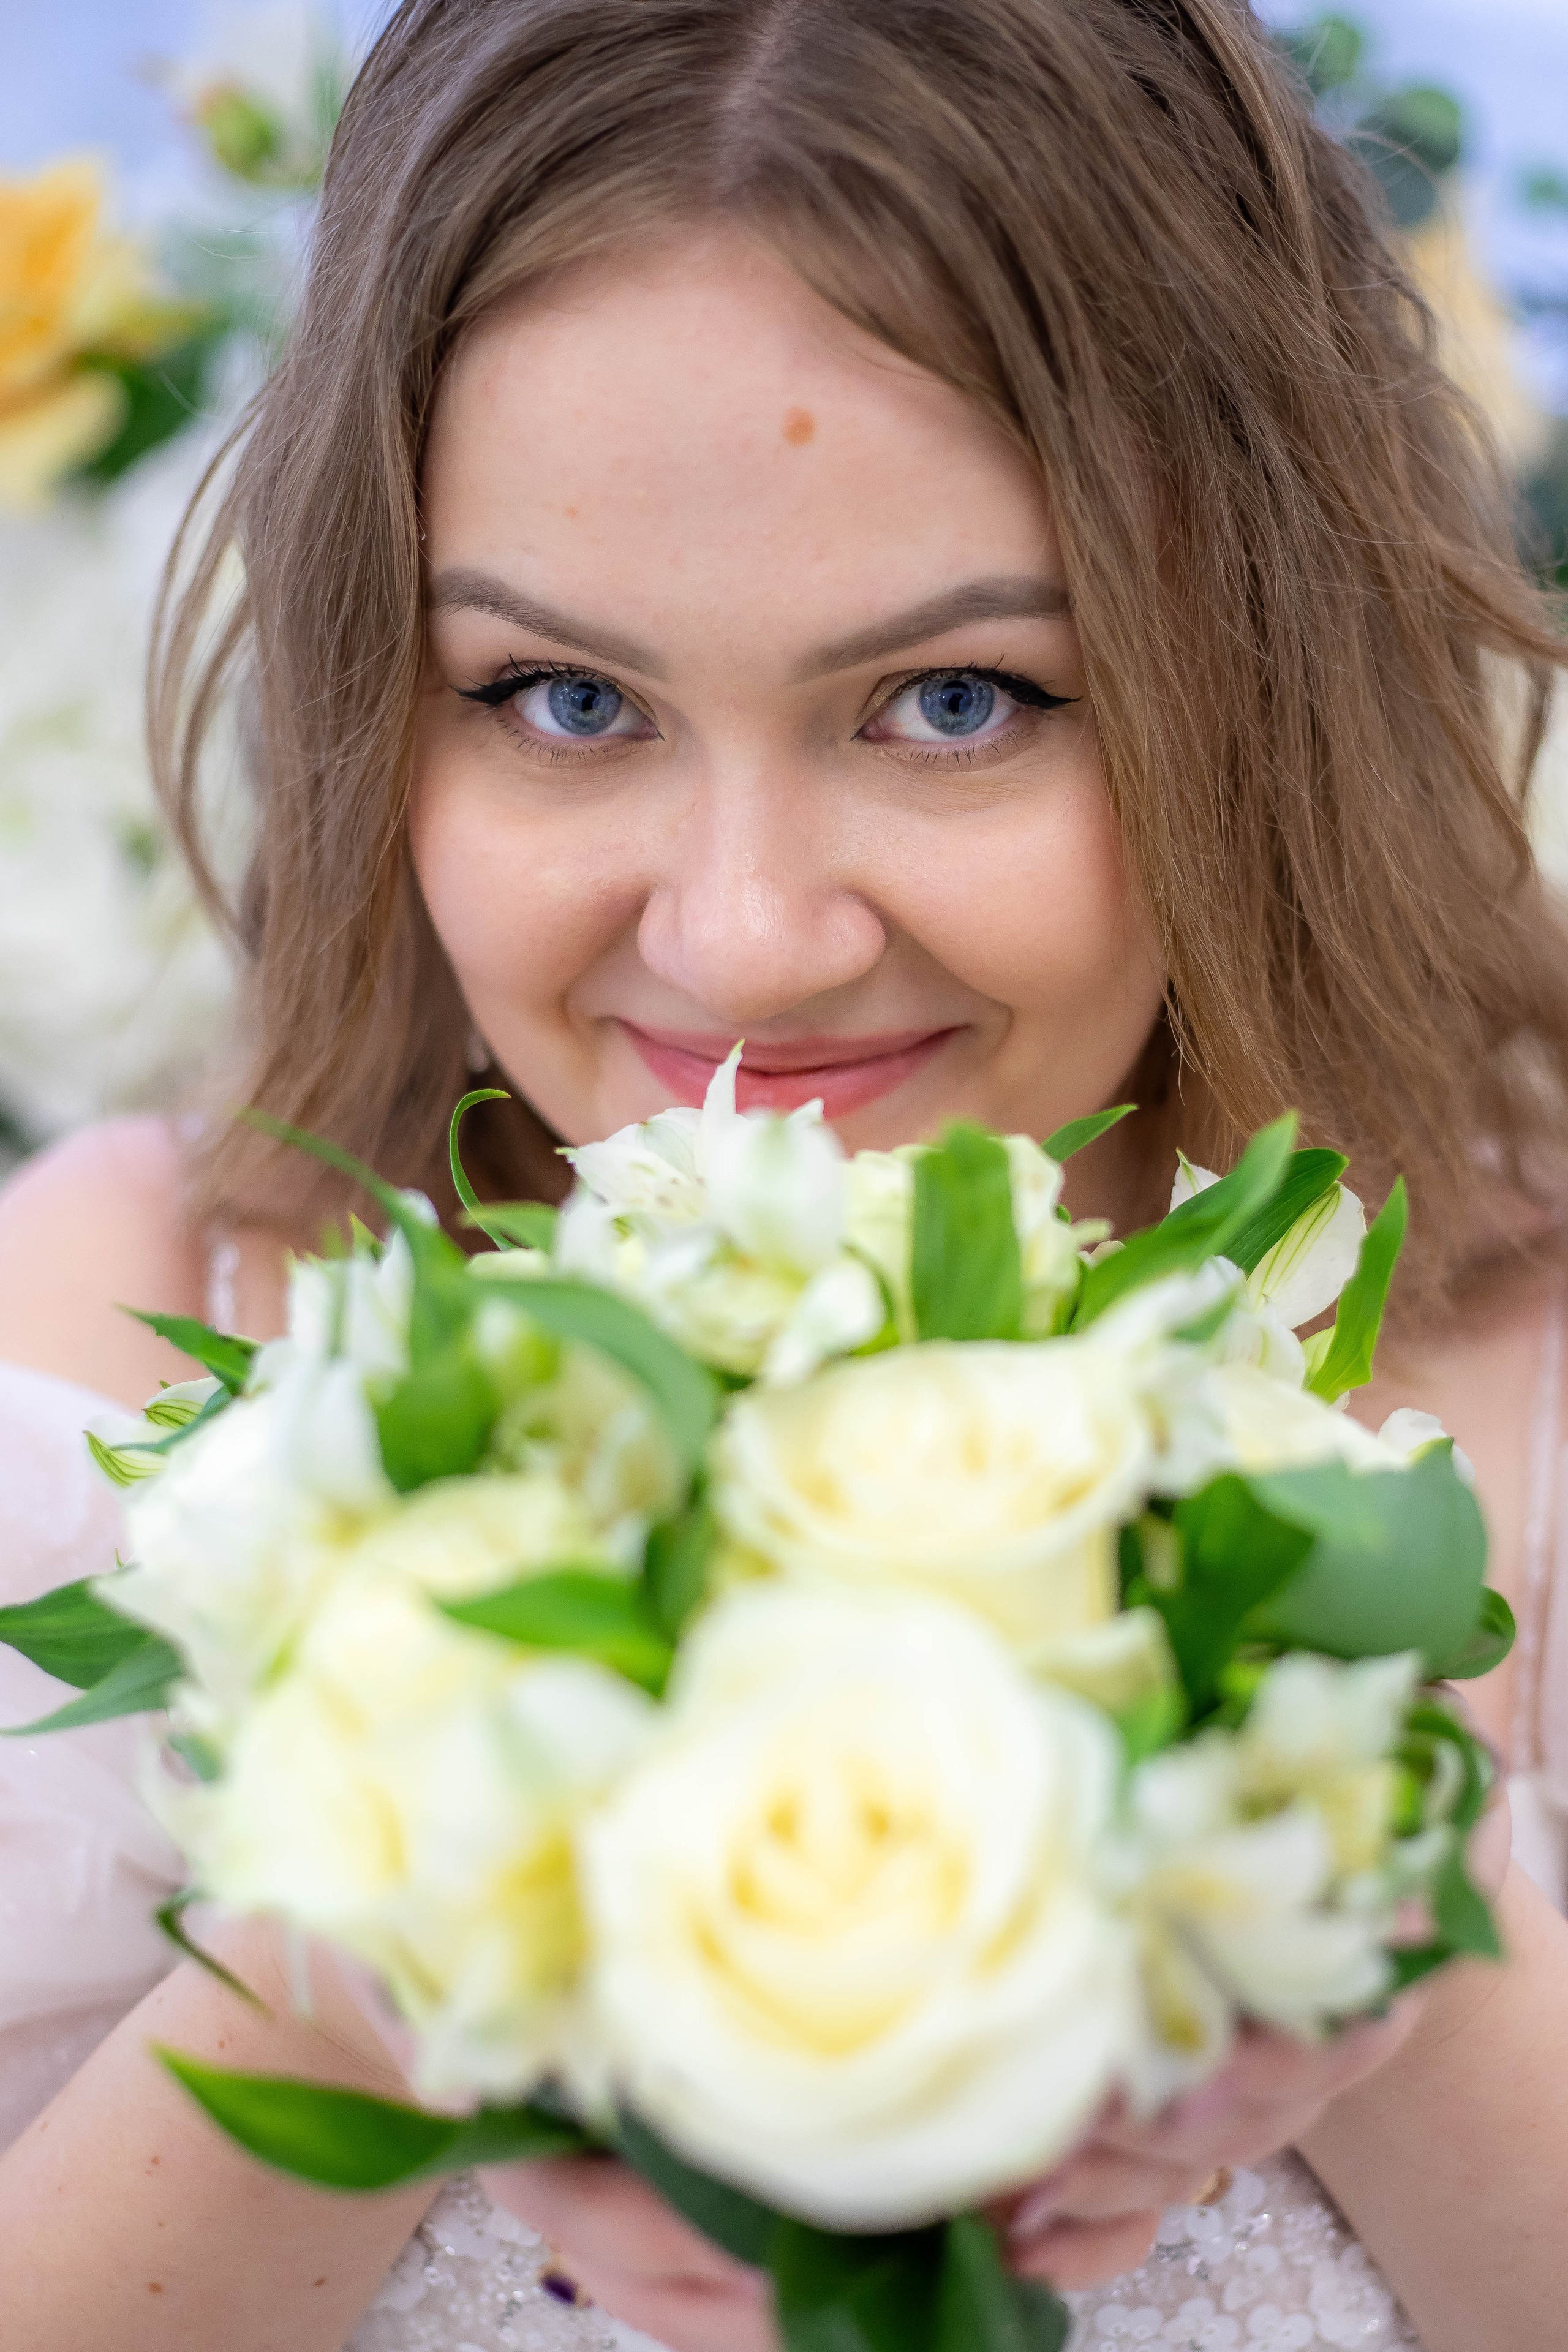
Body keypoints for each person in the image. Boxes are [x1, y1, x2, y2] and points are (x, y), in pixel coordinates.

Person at [1, 1, 1566, 2345]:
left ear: (1256, 667)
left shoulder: (1530, 1391)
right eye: (565, 698)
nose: (741, 937)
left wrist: (1385, 1939)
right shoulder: (132, 1331)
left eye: (960, 703)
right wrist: (346, 1979)